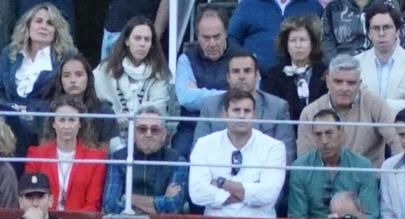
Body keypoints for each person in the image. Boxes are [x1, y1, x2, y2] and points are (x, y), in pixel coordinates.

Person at [188, 87, 285, 217]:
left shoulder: (273, 147)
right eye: (236, 110)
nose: (241, 116)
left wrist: (222, 183)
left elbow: (269, 193)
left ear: (255, 115)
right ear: (224, 114)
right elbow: (197, 193)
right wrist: (250, 190)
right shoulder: (204, 144)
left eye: (247, 111)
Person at [192, 48, 295, 162]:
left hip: (263, 175)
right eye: (236, 71)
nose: (241, 76)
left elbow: (286, 155)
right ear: (228, 77)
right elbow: (198, 152)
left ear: (257, 76)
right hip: (219, 173)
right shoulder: (210, 106)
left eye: (247, 71)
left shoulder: (278, 107)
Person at [94, 15, 175, 153]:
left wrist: (135, 119)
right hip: (112, 135)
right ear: (126, 40)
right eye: (137, 38)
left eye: (147, 39)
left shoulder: (160, 73)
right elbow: (92, 102)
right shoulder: (104, 70)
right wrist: (113, 117)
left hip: (148, 135)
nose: (142, 44)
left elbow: (159, 108)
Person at [298, 54, 399, 160]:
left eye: (351, 83)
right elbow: (304, 160)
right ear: (327, 82)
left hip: (369, 175)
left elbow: (398, 141)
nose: (344, 88)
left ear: (359, 84)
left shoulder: (376, 104)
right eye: (338, 82)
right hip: (324, 175)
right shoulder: (310, 113)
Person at [289, 108, 381, 218]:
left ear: (341, 132)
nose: (324, 141)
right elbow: (297, 218)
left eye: (329, 133)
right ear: (312, 136)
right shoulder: (300, 168)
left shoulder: (362, 166)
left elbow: (370, 214)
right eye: (318, 134)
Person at [22, 94, 106, 212]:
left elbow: (93, 204)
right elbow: (30, 198)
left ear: (80, 123)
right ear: (53, 123)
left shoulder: (96, 158)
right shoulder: (36, 155)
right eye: (62, 120)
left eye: (72, 120)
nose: (67, 126)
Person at [0, 3, 69, 124]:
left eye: (50, 23)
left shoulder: (65, 59)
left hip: (44, 123)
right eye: (38, 21)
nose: (43, 26)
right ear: (28, 26)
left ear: (56, 31)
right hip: (8, 120)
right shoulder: (9, 54)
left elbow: (64, 99)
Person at [102, 106, 187, 214]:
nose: (148, 134)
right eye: (142, 129)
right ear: (133, 133)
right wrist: (161, 201)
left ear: (164, 134)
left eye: (155, 130)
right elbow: (110, 206)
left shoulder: (177, 161)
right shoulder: (118, 158)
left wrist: (128, 198)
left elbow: (174, 207)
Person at [173, 5, 232, 154]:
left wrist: (198, 93)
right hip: (191, 128)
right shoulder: (186, 59)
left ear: (226, 32)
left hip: (230, 128)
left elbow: (248, 98)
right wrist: (229, 95)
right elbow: (186, 99)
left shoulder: (242, 57)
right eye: (206, 38)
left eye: (217, 36)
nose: (212, 43)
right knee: (179, 156)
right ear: (197, 36)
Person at [355, 3, 405, 114]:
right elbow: (352, 104)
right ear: (368, 33)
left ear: (397, 31)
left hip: (401, 128)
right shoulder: (355, 63)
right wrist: (401, 103)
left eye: (387, 27)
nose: (381, 33)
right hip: (366, 128)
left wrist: (372, 104)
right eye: (375, 28)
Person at [262, 13, 327, 122]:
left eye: (303, 40)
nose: (298, 45)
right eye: (293, 40)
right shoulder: (273, 75)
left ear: (312, 43)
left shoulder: (325, 73)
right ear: (285, 44)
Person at [230, 0, 324, 71]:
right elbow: (231, 39)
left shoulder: (313, 6)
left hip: (301, 78)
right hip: (256, 78)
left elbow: (322, 43)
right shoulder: (248, 5)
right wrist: (248, 58)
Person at [323, 0, 392, 62]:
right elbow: (326, 42)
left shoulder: (388, 4)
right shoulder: (334, 7)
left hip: (377, 63)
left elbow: (394, 37)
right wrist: (336, 65)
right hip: (342, 65)